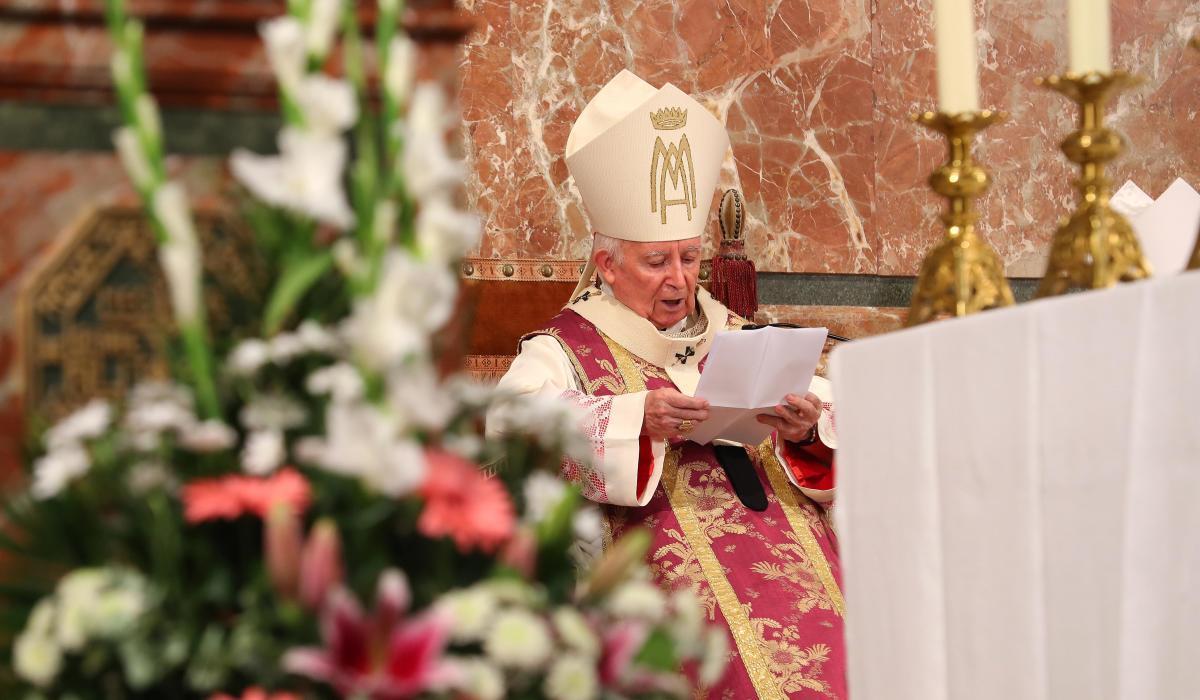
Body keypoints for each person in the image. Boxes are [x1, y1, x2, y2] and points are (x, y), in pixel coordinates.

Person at [487, 70, 843, 699]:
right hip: (660, 565)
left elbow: (836, 425)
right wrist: (633, 422)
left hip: (792, 554)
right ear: (608, 264)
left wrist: (806, 428)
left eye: (690, 258)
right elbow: (511, 430)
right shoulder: (566, 347)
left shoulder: (735, 331)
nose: (679, 281)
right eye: (656, 262)